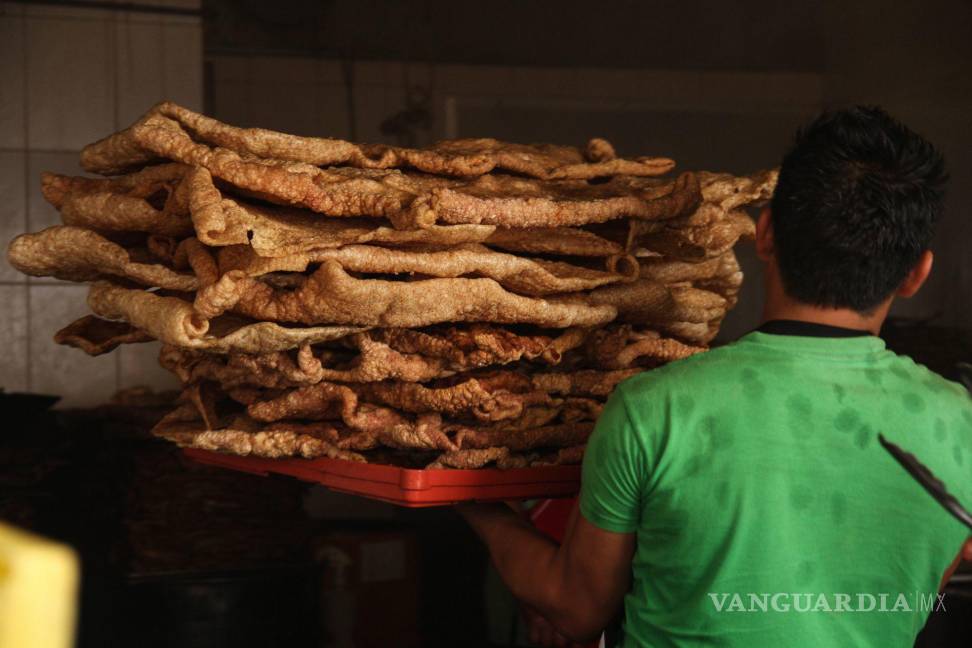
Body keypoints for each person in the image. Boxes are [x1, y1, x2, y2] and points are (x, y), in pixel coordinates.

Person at [457, 106, 972, 647]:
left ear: (765, 234)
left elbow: (577, 607)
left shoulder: (655, 408)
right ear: (917, 273)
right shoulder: (960, 426)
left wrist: (480, 508)